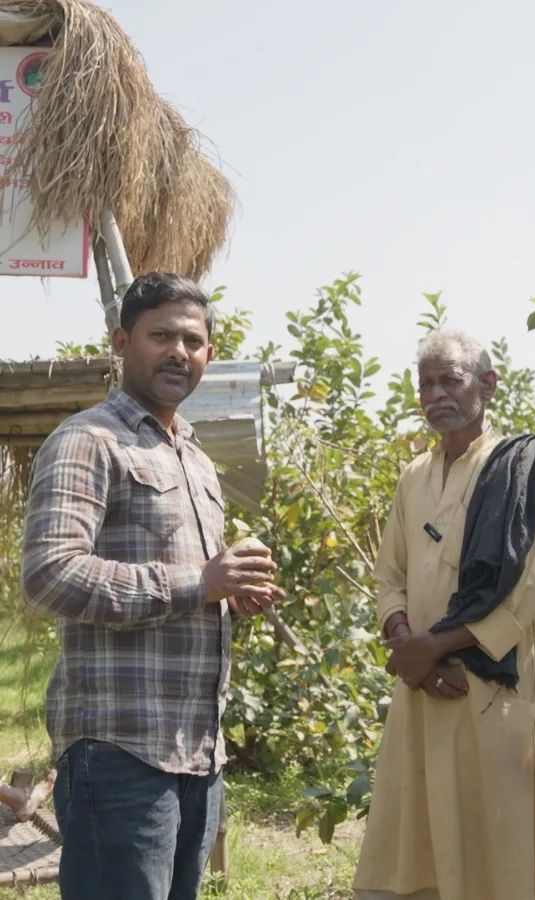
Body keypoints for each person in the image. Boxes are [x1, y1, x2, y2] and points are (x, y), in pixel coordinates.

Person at [21, 272, 284, 900]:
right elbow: (50, 574)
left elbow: (193, 586)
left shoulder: (193, 456)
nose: (179, 352)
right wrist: (200, 581)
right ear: (120, 342)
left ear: (209, 356)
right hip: (120, 751)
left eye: (193, 341)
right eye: (160, 335)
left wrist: (227, 592)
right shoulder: (87, 441)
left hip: (197, 752)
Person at [353, 329, 535, 900]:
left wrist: (433, 648)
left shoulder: (530, 473)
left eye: (450, 380)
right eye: (425, 383)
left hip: (494, 699)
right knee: (414, 858)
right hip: (421, 694)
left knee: (497, 866)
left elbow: (532, 591)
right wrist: (406, 641)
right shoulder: (414, 476)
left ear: (487, 385)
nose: (436, 394)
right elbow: (390, 576)